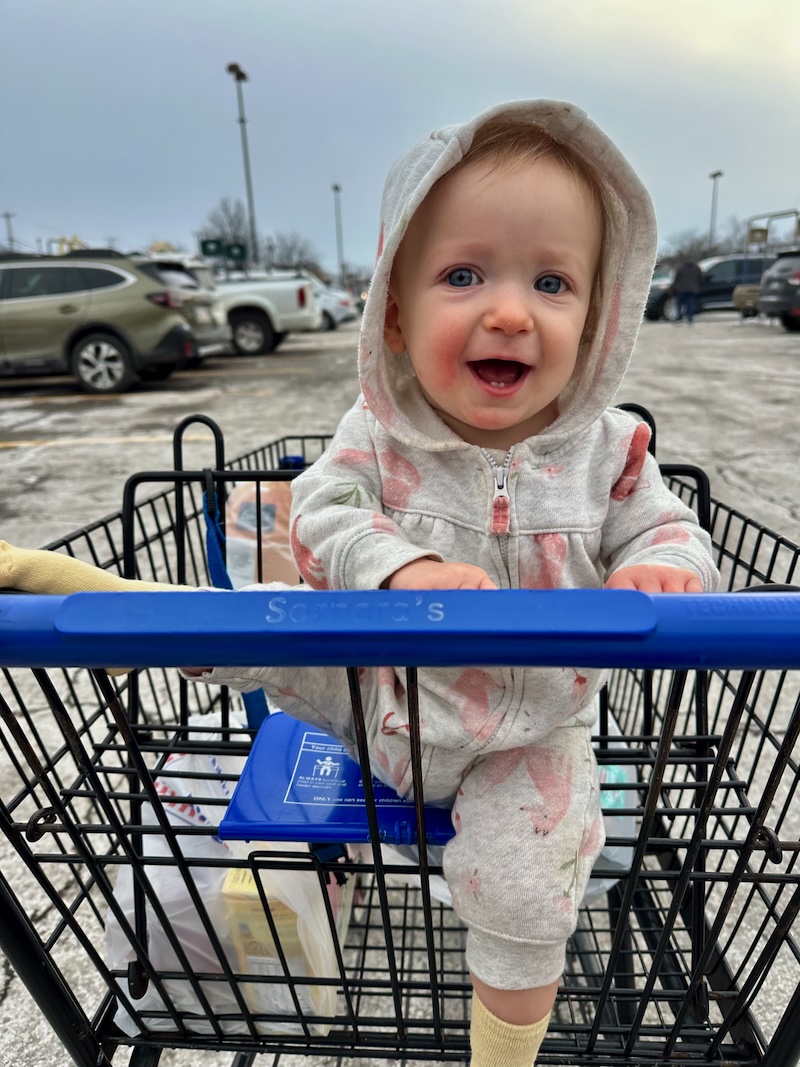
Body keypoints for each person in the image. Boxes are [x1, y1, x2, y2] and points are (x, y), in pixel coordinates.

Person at [0, 100, 719, 1067]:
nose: (509, 309)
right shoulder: (377, 438)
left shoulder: (610, 452)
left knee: (527, 885)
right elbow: (324, 508)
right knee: (247, 631)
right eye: (463, 275)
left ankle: (500, 1058)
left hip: (532, 733)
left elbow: (669, 525)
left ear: (597, 319)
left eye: (552, 281)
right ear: (394, 306)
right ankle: (78, 593)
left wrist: (661, 567)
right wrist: (402, 568)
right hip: (375, 684)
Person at [671, 258, 703, 323]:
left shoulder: (680, 268)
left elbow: (676, 279)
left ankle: (679, 316)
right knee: (690, 304)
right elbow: (700, 278)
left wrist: (672, 288)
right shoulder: (696, 268)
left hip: (681, 289)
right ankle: (689, 317)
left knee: (679, 304)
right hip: (692, 289)